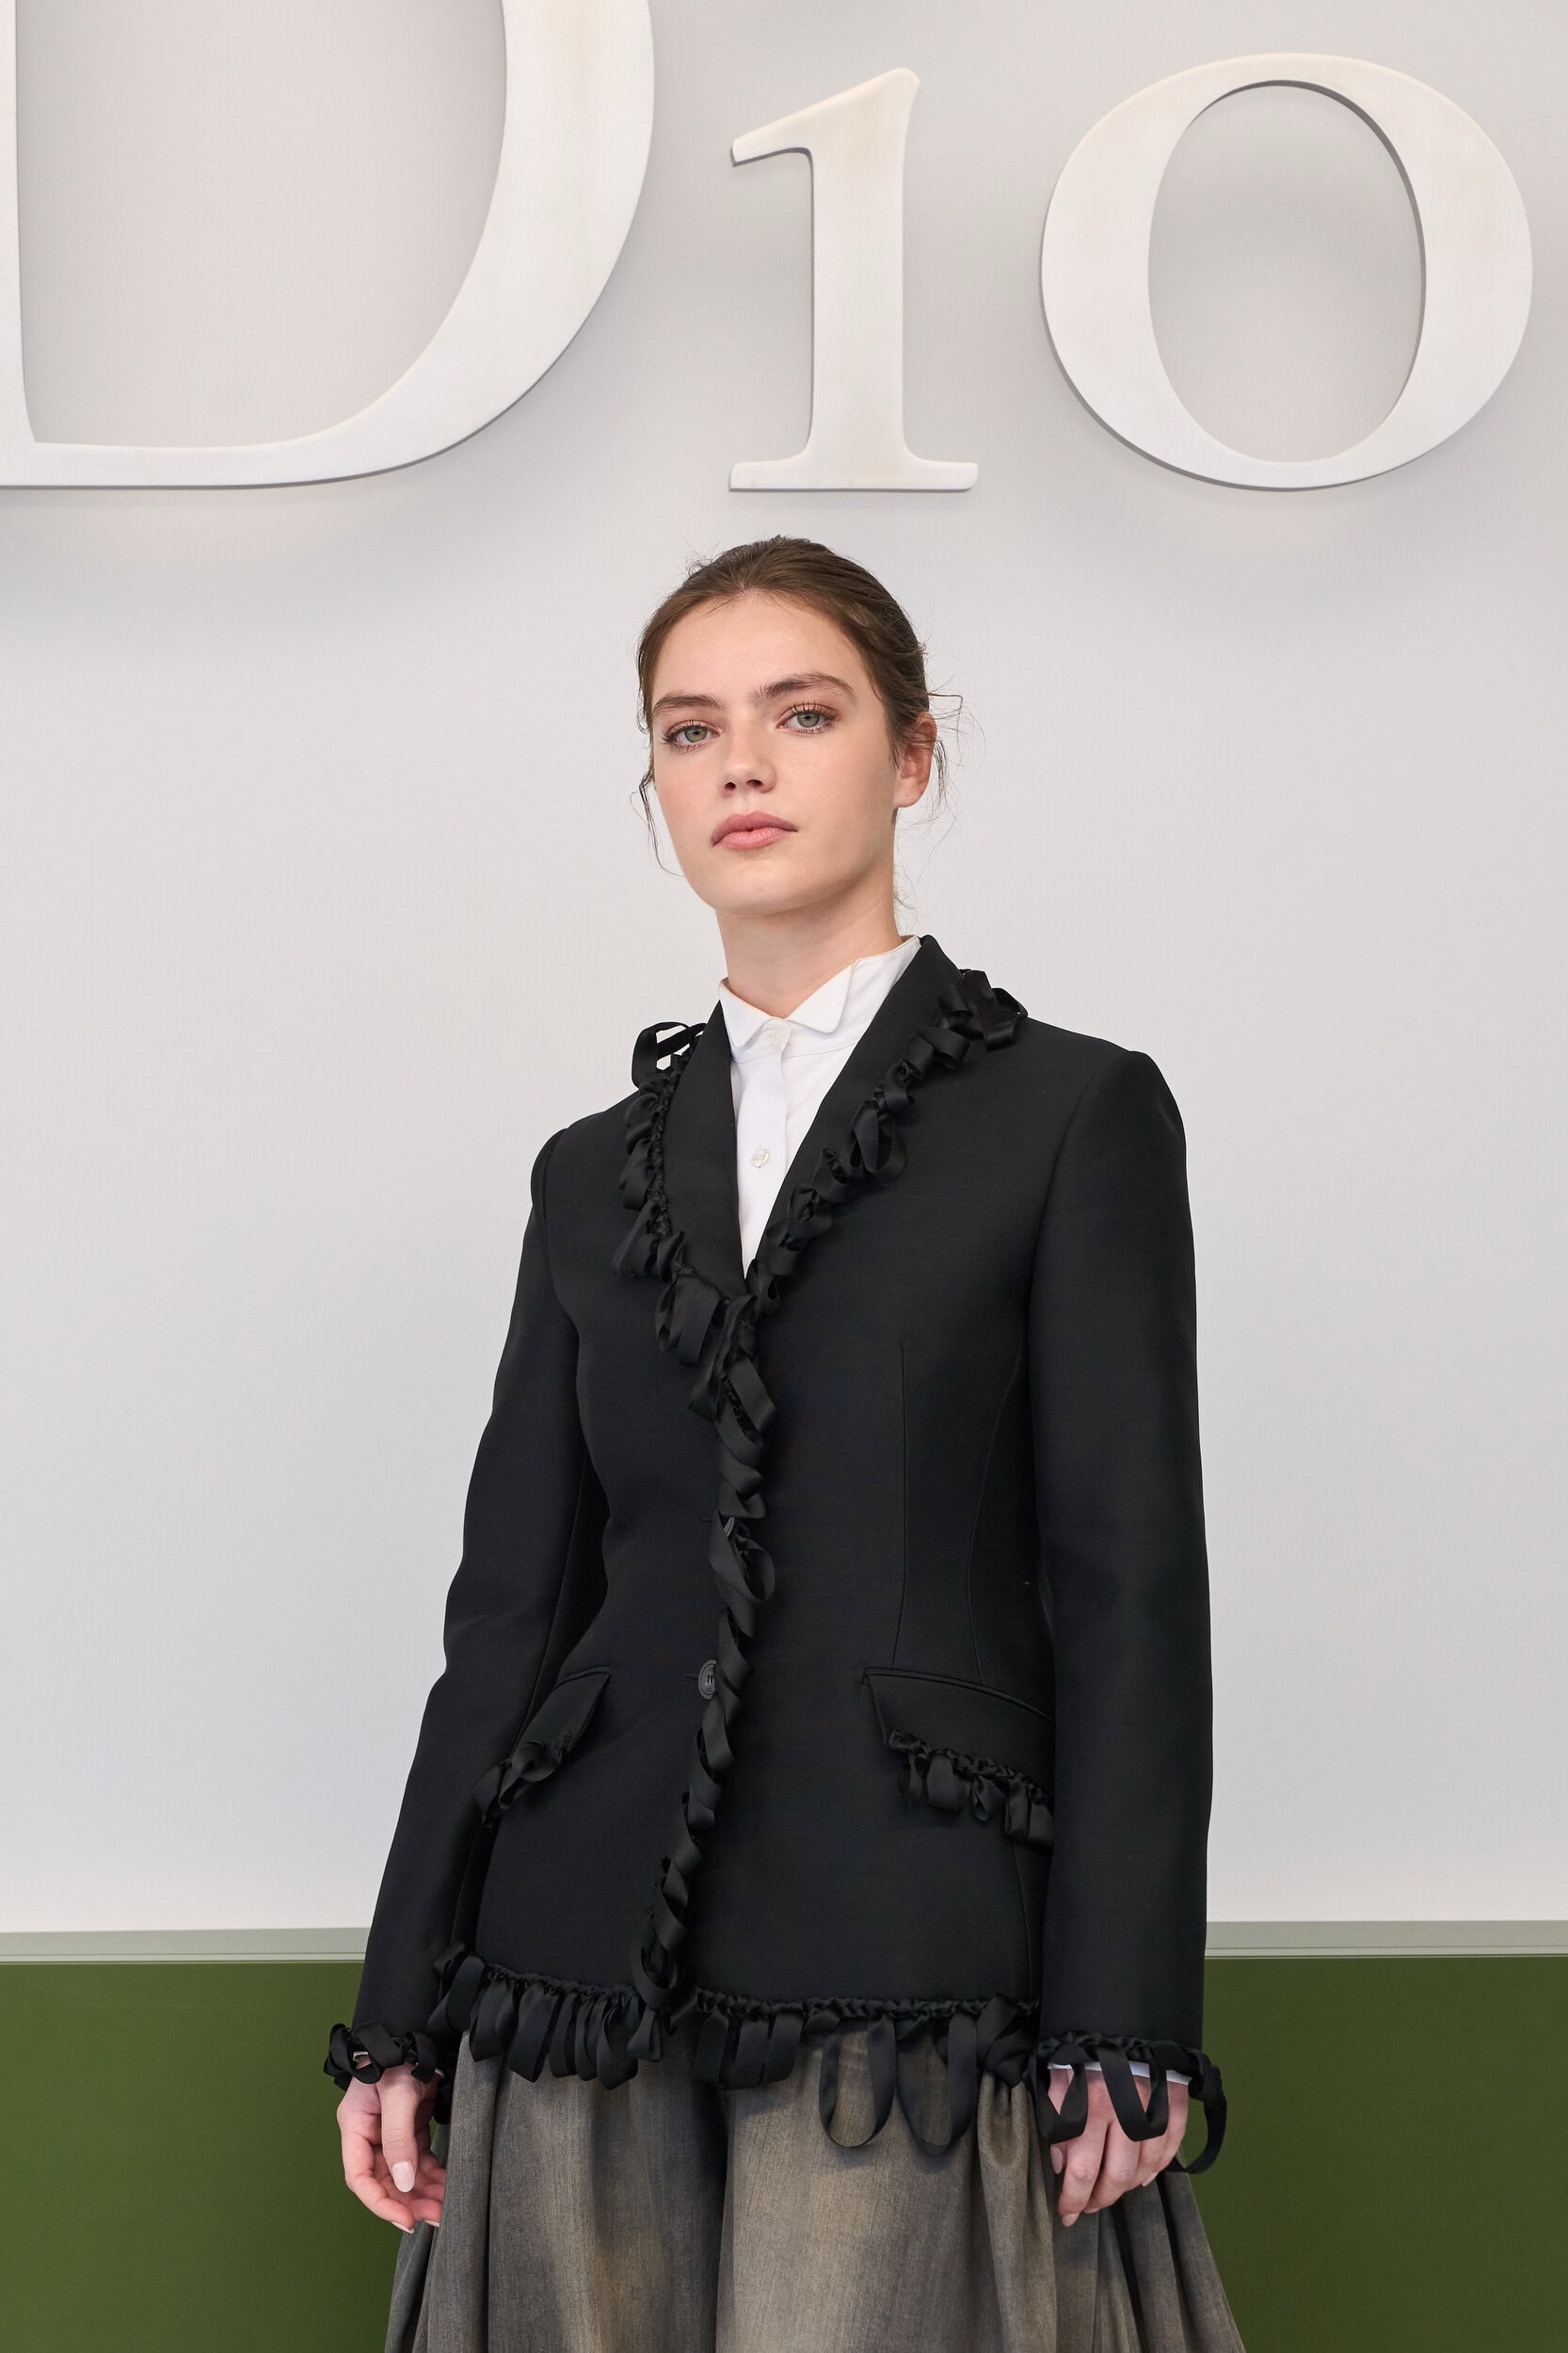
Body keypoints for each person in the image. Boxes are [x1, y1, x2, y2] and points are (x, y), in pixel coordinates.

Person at [328, 536, 1242, 2353]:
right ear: (657, 782)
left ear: (910, 754)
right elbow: (507, 1615)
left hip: (909, 1957)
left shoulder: (1072, 1114)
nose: (739, 765)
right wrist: (398, 2008)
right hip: (572, 1964)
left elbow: (1128, 1588)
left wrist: (1125, 2009)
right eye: (689, 730)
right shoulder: (586, 1172)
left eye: (800, 714)